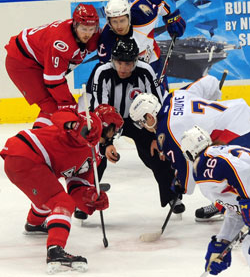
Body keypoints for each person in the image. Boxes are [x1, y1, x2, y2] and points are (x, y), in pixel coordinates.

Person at [79, 37, 185, 214]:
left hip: (139, 122)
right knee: (96, 156)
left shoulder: (146, 71)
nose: (123, 68)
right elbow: (99, 110)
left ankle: (172, 195)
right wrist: (106, 142)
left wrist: (157, 138)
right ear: (112, 60)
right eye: (119, 62)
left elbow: (158, 106)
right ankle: (87, 199)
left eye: (128, 63)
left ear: (136, 60)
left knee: (155, 154)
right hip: (109, 122)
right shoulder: (102, 72)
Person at [0, 109, 109, 274]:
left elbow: (77, 188)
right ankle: (55, 251)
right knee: (62, 203)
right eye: (110, 130)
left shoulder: (93, 157)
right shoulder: (79, 123)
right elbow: (59, 116)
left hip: (29, 162)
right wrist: (76, 124)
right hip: (25, 154)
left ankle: (34, 223)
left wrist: (92, 197)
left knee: (51, 195)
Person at [129, 74, 250, 221]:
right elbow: (210, 82)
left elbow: (188, 173)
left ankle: (234, 210)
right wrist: (213, 99)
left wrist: (179, 185)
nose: (142, 126)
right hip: (240, 111)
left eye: (141, 122)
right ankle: (225, 206)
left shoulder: (166, 133)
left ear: (149, 116)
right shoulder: (175, 96)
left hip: (237, 133)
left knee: (211, 172)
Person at [5, 3, 100, 129]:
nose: (87, 34)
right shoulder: (62, 42)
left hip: (38, 60)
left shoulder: (94, 34)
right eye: (83, 29)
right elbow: (52, 80)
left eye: (91, 29)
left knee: (60, 109)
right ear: (75, 24)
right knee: (52, 107)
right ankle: (38, 140)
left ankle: (42, 138)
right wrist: (68, 104)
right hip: (21, 62)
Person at [180, 125, 250, 275]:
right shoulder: (222, 151)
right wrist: (223, 240)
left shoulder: (204, 165)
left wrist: (247, 201)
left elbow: (244, 173)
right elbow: (235, 210)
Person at [98, 0, 186, 89]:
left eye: (122, 20)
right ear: (109, 22)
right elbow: (107, 72)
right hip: (127, 73)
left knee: (161, 97)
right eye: (114, 22)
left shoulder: (143, 15)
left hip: (153, 61)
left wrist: (170, 16)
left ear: (129, 16)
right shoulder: (106, 39)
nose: (119, 26)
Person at [74, 103, 124, 220]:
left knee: (100, 161)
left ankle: (87, 191)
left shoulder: (97, 135)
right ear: (105, 126)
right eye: (113, 129)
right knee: (92, 164)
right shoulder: (86, 137)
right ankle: (80, 201)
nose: (115, 132)